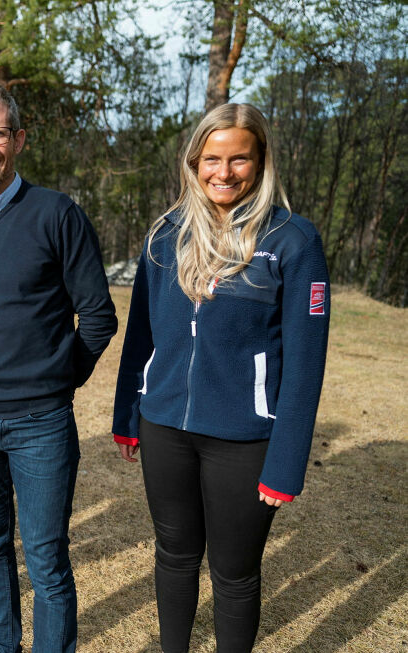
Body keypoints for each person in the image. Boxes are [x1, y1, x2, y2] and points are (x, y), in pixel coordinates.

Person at [112, 103, 330, 652]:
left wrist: (286, 465)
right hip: (165, 428)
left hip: (244, 439)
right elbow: (141, 332)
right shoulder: (166, 233)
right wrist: (127, 415)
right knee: (174, 555)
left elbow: (305, 367)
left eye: (239, 159)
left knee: (234, 574)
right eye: (212, 158)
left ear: (261, 162)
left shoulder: (293, 241)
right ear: (194, 161)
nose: (224, 172)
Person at [0, 83, 117, 653]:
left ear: (19, 140)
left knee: (46, 556)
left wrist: (56, 378)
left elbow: (99, 318)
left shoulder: (57, 213)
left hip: (42, 423)